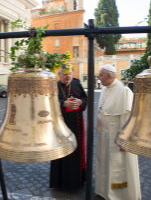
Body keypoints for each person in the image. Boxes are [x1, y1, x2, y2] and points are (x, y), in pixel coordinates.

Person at [95, 64, 141, 200]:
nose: (99, 78)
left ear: (109, 76)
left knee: (117, 164)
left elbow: (126, 118)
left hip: (116, 135)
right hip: (104, 134)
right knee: (104, 163)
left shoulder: (124, 91)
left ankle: (120, 196)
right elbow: (102, 109)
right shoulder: (105, 88)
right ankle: (104, 190)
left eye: (100, 75)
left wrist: (123, 140)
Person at [50, 68, 87, 190]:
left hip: (76, 126)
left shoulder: (76, 83)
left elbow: (85, 98)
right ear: (59, 75)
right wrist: (63, 103)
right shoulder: (54, 86)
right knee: (61, 152)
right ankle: (60, 182)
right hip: (61, 126)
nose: (68, 76)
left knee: (76, 152)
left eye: (70, 73)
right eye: (65, 74)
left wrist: (80, 101)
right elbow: (48, 102)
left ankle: (77, 180)